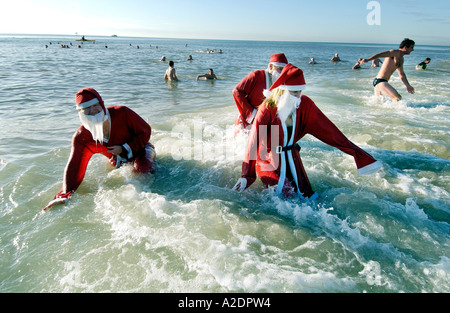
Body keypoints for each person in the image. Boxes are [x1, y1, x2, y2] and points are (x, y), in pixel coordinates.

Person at [232, 64, 382, 199]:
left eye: (300, 92)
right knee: (285, 197)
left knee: (308, 198)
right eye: (294, 92)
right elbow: (254, 142)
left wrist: (359, 154)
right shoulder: (267, 110)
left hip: (292, 156)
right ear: (282, 91)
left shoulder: (305, 105)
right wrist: (247, 175)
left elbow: (330, 132)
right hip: (268, 158)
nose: (298, 97)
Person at [43, 88, 156, 210]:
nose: (92, 110)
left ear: (101, 104)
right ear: (80, 112)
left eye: (95, 105)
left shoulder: (122, 113)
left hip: (142, 149)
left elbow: (145, 131)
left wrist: (124, 148)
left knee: (142, 168)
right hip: (118, 160)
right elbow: (75, 165)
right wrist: (65, 194)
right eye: (86, 108)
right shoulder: (82, 136)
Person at [233, 53, 288, 132]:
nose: (282, 72)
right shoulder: (256, 75)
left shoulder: (283, 82)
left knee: (275, 143)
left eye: (284, 70)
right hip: (247, 121)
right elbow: (236, 91)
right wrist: (252, 114)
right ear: (270, 67)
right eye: (279, 69)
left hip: (269, 122)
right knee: (244, 144)